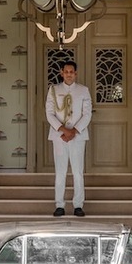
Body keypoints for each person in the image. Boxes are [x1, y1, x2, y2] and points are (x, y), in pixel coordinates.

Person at [45, 60, 92, 216]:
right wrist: (63, 131)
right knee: (60, 171)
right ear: (62, 73)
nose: (69, 74)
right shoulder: (53, 89)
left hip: (77, 136)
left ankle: (78, 205)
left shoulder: (83, 90)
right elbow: (49, 113)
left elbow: (87, 114)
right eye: (66, 72)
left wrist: (74, 131)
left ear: (75, 73)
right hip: (59, 137)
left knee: (78, 171)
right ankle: (60, 204)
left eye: (72, 72)